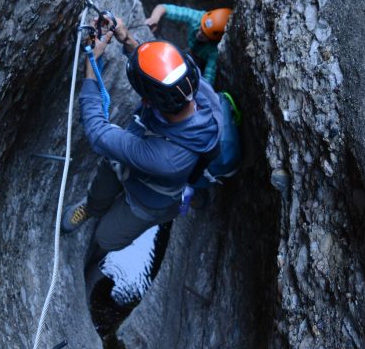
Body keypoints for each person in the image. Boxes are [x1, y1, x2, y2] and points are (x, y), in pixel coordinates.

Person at [62, 17, 239, 272]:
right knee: (99, 194)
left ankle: (98, 244)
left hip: (149, 199)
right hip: (127, 163)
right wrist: (127, 39)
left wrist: (92, 64)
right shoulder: (195, 87)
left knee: (106, 238)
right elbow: (162, 71)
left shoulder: (166, 157)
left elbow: (98, 132)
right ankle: (91, 208)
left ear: (147, 102)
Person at [145, 4, 233, 86]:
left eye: (204, 35)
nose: (199, 34)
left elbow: (209, 77)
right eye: (201, 28)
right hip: (191, 53)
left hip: (200, 63)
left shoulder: (214, 50)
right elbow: (164, 8)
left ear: (214, 39)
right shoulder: (198, 17)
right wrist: (154, 18)